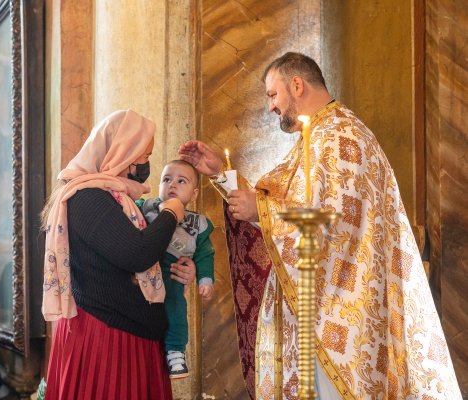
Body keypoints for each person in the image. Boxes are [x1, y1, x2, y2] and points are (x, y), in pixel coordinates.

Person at [179, 52, 462, 399]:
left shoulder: (341, 137)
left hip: (338, 312)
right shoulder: (318, 137)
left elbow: (335, 222)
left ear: (296, 85)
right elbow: (284, 200)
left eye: (273, 95)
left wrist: (262, 209)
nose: (271, 107)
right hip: (317, 308)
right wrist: (221, 176)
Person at [41, 109, 196, 400]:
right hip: (106, 338)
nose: (146, 164)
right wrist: (171, 213)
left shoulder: (117, 197)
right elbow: (136, 254)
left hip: (124, 329)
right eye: (143, 156)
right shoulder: (88, 198)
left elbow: (137, 255)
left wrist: (185, 268)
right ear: (122, 153)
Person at [136, 159, 215, 379]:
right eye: (167, 179)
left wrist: (205, 280)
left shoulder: (198, 225)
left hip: (172, 275)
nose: (173, 185)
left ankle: (175, 351)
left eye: (182, 181)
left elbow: (205, 254)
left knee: (176, 309)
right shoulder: (147, 207)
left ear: (194, 193)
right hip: (143, 275)